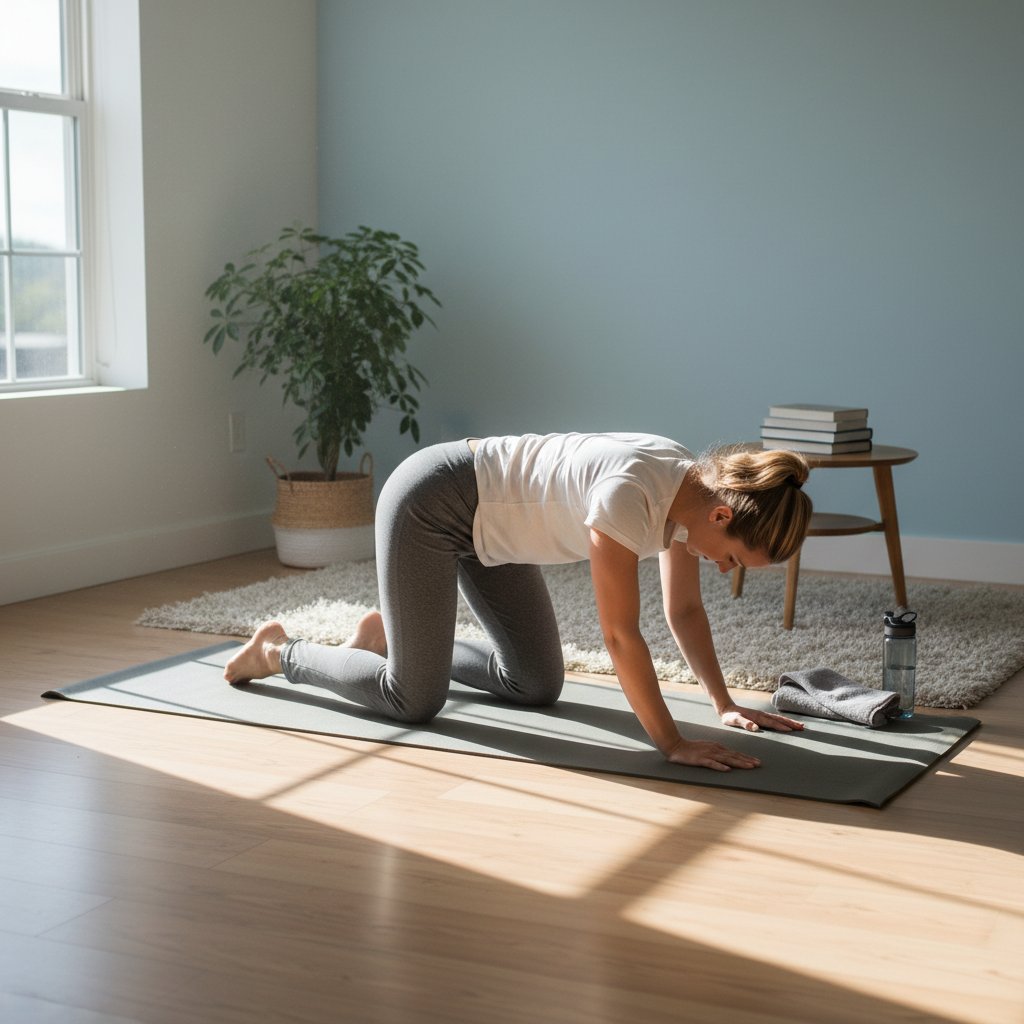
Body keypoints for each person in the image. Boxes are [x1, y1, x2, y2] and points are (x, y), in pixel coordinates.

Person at [225, 432, 813, 772]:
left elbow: (682, 611)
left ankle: (394, 640)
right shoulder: (630, 496)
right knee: (413, 699)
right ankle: (279, 651)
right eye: (733, 558)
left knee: (534, 682)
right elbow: (619, 635)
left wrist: (722, 702)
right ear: (723, 516)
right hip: (432, 503)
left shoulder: (695, 496)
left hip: (494, 530)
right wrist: (672, 742)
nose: (724, 569)